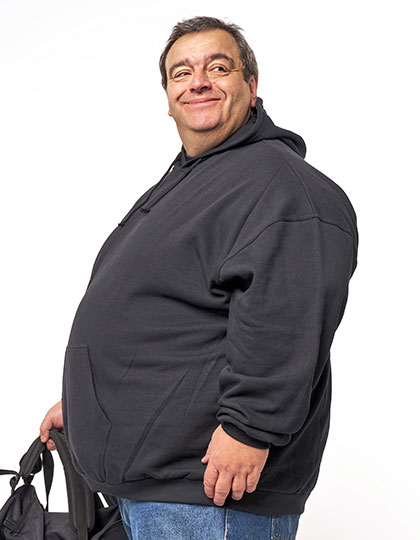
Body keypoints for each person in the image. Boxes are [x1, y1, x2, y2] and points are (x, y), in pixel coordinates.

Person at [40, 16, 358, 540]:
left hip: (208, 494)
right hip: (155, 489)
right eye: (181, 72)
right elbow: (168, 312)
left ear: (251, 85)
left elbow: (286, 319)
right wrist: (85, 405)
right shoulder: (195, 180)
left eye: (218, 67)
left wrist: (249, 429)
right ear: (168, 98)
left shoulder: (281, 188)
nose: (199, 82)